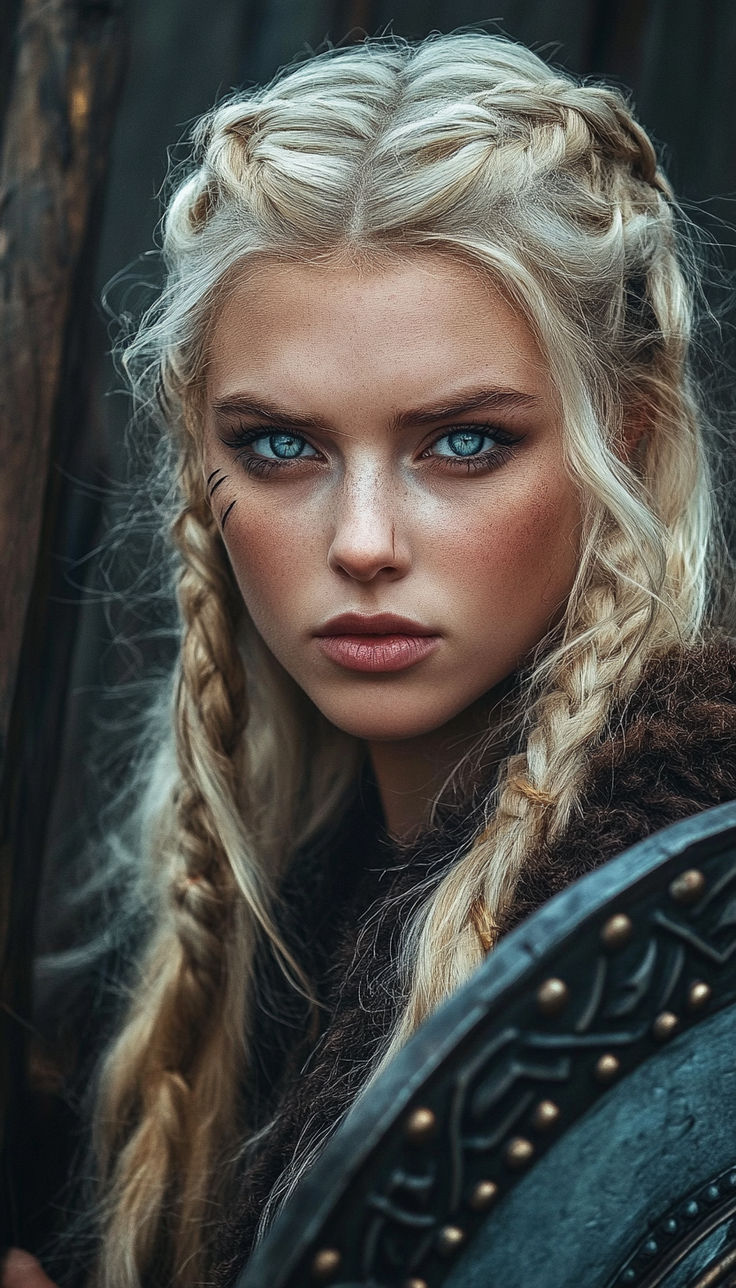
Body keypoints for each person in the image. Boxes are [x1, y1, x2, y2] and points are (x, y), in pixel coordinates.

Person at [4, 27, 736, 1288]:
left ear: (627, 431)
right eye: (281, 447)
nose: (360, 544)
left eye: (461, 444)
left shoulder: (687, 933)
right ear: (202, 463)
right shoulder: (244, 914)